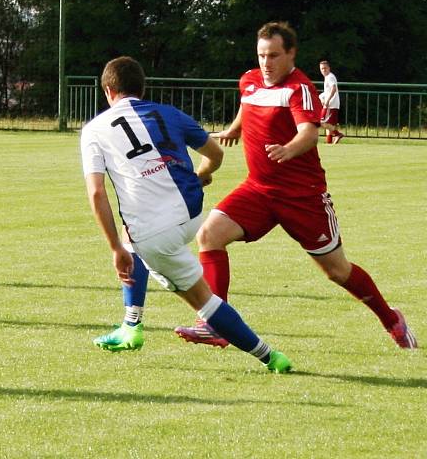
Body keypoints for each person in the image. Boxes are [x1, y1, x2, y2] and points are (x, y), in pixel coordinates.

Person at [174, 22, 417, 349]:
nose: (266, 62)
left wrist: (289, 149)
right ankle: (216, 323)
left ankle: (391, 318)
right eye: (262, 55)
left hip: (303, 198)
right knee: (209, 235)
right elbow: (248, 104)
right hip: (259, 189)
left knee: (336, 271)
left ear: (291, 54)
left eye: (274, 55)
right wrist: (234, 130)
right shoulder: (249, 80)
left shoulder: (298, 87)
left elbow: (309, 132)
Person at [81, 55, 292, 373]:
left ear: (108, 91)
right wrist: (202, 174)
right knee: (132, 234)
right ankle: (130, 325)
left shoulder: (95, 129)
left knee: (201, 299)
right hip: (192, 211)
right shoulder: (168, 113)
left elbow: (97, 192)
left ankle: (270, 356)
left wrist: (114, 250)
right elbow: (215, 153)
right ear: (142, 88)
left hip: (156, 231)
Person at [318, 59, 344, 143]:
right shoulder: (327, 77)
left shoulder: (330, 77)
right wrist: (322, 97)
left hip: (331, 104)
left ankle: (337, 134)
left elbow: (333, 89)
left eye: (325, 68)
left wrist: (328, 100)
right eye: (322, 68)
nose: (323, 70)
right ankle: (329, 142)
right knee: (329, 124)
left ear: (329, 68)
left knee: (322, 122)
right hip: (332, 103)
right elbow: (328, 91)